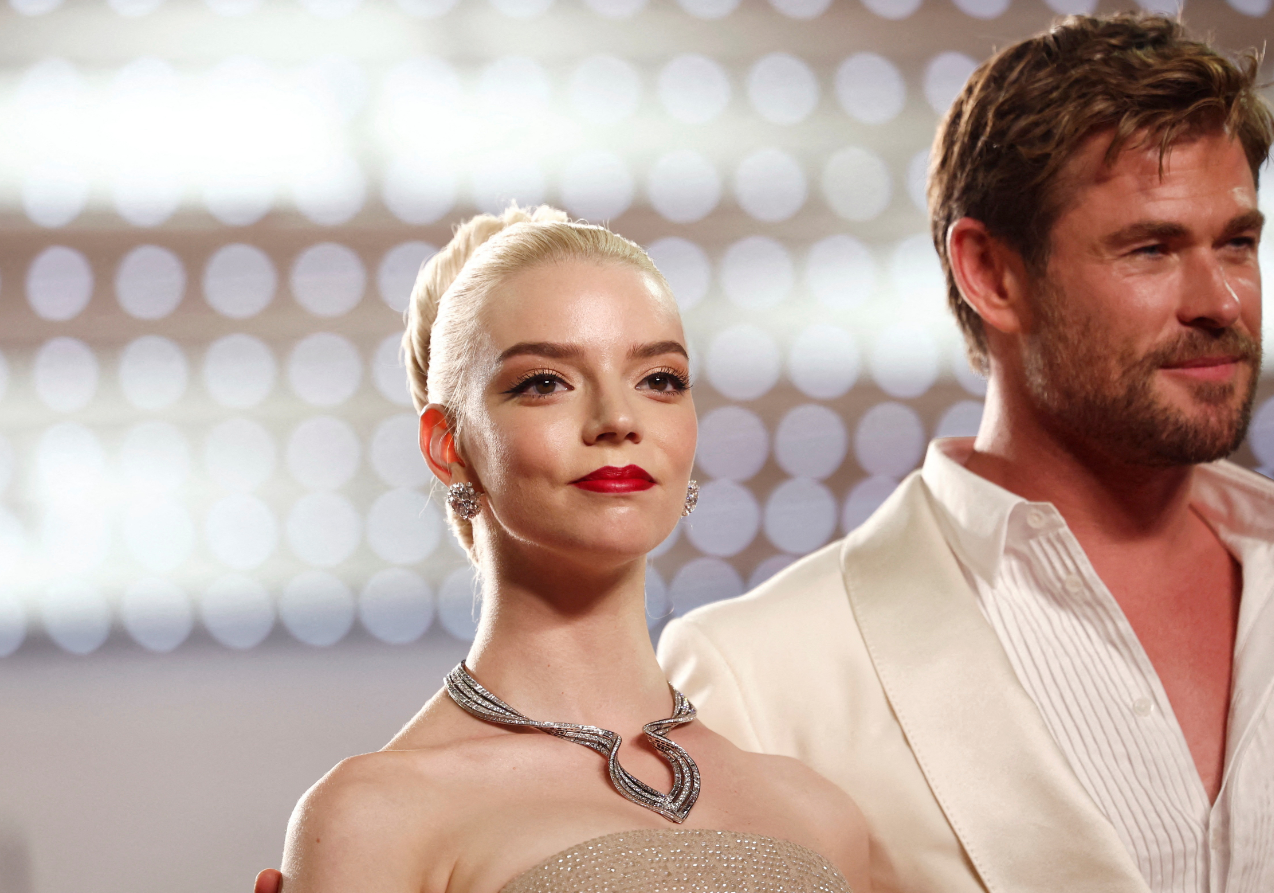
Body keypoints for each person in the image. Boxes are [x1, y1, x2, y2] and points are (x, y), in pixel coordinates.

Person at [658, 13, 1274, 893]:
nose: (1220, 299)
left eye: (1238, 243)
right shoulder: (756, 679)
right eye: (1150, 248)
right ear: (990, 273)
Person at [260, 205, 870, 893]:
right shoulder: (373, 819)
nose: (617, 419)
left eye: (659, 379)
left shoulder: (823, 820)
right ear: (448, 446)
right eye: (545, 381)